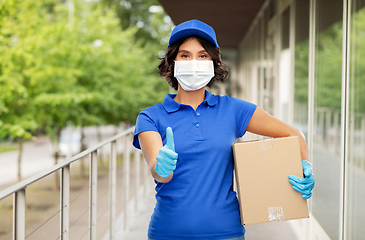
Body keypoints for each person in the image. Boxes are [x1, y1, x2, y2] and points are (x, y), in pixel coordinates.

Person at [132, 19, 315, 240]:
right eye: (185, 55)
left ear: (213, 63)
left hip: (227, 233)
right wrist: (162, 167)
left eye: (202, 55)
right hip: (167, 233)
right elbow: (159, 173)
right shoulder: (150, 116)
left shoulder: (233, 110)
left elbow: (293, 134)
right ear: (172, 62)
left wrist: (305, 167)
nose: (194, 62)